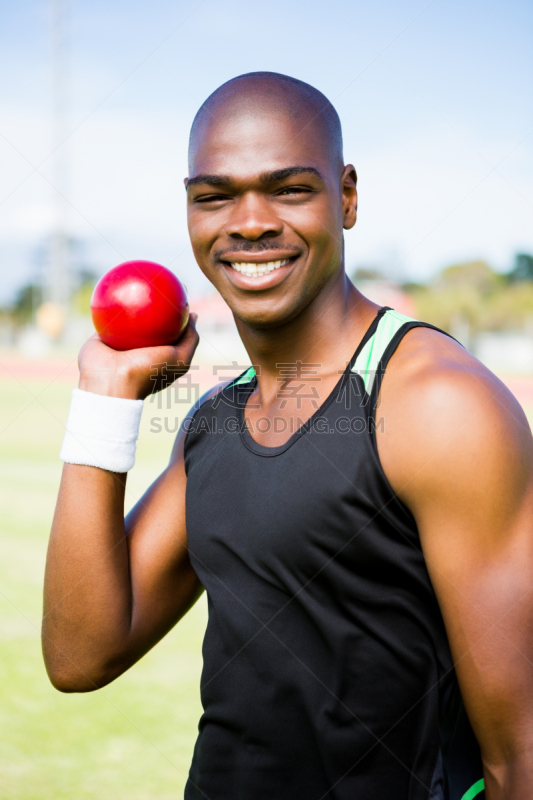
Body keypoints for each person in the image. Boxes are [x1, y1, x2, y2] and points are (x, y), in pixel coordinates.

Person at [43, 72, 533, 800]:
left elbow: (519, 754)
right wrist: (103, 401)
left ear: (347, 197)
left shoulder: (440, 405)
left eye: (288, 188)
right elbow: (80, 655)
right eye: (214, 195)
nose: (247, 222)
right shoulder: (214, 421)